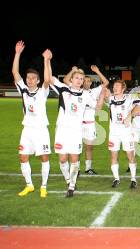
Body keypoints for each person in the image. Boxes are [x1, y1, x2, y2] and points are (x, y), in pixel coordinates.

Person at [45, 50, 101, 198]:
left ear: (83, 81)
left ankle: (71, 186)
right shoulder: (64, 89)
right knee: (63, 159)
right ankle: (69, 180)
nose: (79, 80)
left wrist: (102, 95)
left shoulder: (86, 95)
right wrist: (47, 60)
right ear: (72, 79)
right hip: (62, 130)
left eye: (81, 79)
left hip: (77, 131)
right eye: (76, 78)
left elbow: (97, 108)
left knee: (75, 159)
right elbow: (49, 78)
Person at [13, 41, 51, 198]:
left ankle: (43, 186)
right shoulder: (23, 90)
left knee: (44, 157)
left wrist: (46, 60)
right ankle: (29, 185)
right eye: (28, 78)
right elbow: (15, 73)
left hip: (41, 130)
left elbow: (48, 80)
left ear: (37, 80)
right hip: (27, 130)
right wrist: (17, 53)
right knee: (23, 157)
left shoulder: (43, 91)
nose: (29, 80)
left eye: (33, 78)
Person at [63, 65, 109, 175]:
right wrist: (73, 70)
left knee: (89, 147)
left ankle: (88, 168)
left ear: (91, 83)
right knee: (76, 148)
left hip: (90, 124)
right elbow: (65, 80)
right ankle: (76, 168)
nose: (87, 83)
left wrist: (97, 71)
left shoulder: (94, 92)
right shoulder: (76, 91)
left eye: (89, 81)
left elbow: (106, 82)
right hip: (77, 124)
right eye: (85, 81)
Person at [96, 80, 138, 189]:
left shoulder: (129, 99)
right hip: (114, 133)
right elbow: (99, 104)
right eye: (114, 86)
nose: (114, 88)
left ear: (123, 88)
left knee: (130, 155)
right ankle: (116, 178)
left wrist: (130, 115)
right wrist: (103, 91)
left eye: (117, 86)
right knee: (114, 156)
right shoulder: (110, 99)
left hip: (126, 132)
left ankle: (133, 179)